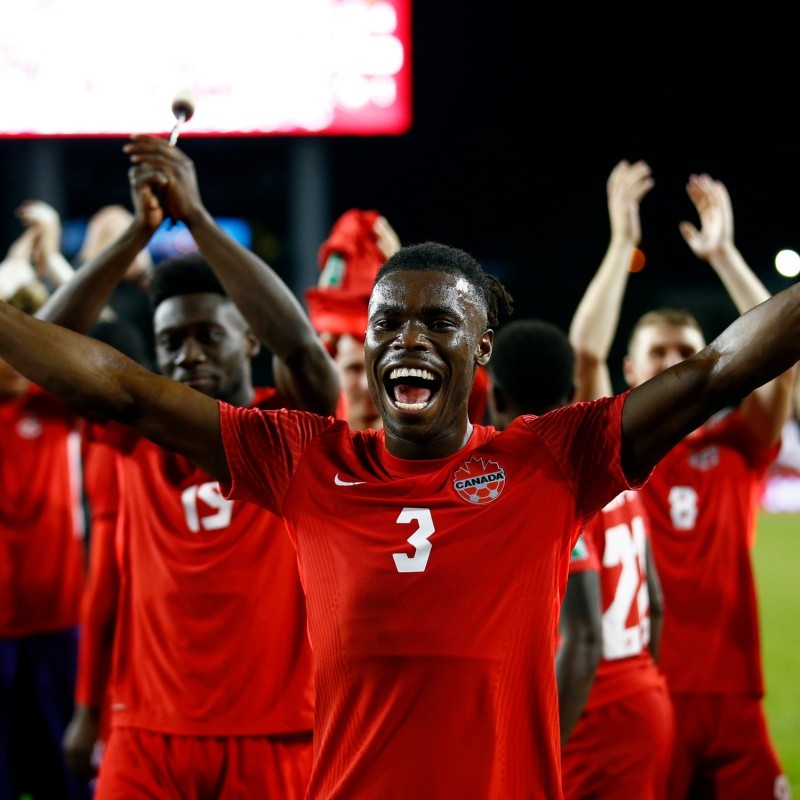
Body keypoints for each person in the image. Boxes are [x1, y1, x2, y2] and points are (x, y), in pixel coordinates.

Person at [2, 139, 800, 798]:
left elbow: (715, 371)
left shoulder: (550, 459)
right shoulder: (302, 458)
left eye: (437, 322)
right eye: (388, 322)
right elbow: (121, 389)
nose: (407, 339)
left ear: (480, 348)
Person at [48, 135, 340, 799]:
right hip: (146, 734)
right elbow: (46, 353)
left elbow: (304, 350)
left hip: (275, 735)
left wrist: (199, 219)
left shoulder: (291, 433)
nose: (188, 356)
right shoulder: (138, 434)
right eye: (170, 342)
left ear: (248, 337)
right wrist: (131, 241)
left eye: (208, 335)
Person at [569, 159, 793, 800]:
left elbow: (778, 360)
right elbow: (584, 356)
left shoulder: (737, 445)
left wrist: (723, 255)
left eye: (689, 351)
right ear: (632, 368)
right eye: (660, 353)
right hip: (652, 692)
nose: (678, 364)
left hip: (733, 694)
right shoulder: (618, 453)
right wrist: (619, 245)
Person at [487, 314, 673, 800]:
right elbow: (655, 598)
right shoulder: (612, 469)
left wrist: (537, 756)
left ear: (495, 397)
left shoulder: (546, 482)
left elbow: (585, 637)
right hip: (642, 698)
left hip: (591, 715)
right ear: (572, 391)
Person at [0, 203, 93, 800]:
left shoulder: (51, 403)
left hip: (61, 617)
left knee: (70, 768)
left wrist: (51, 255)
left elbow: (93, 331)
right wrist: (16, 262)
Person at [305, 206, 491, 428]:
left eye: (387, 360)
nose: (367, 384)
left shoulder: (434, 428)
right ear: (333, 368)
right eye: (353, 368)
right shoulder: (312, 436)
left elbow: (466, 374)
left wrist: (405, 284)